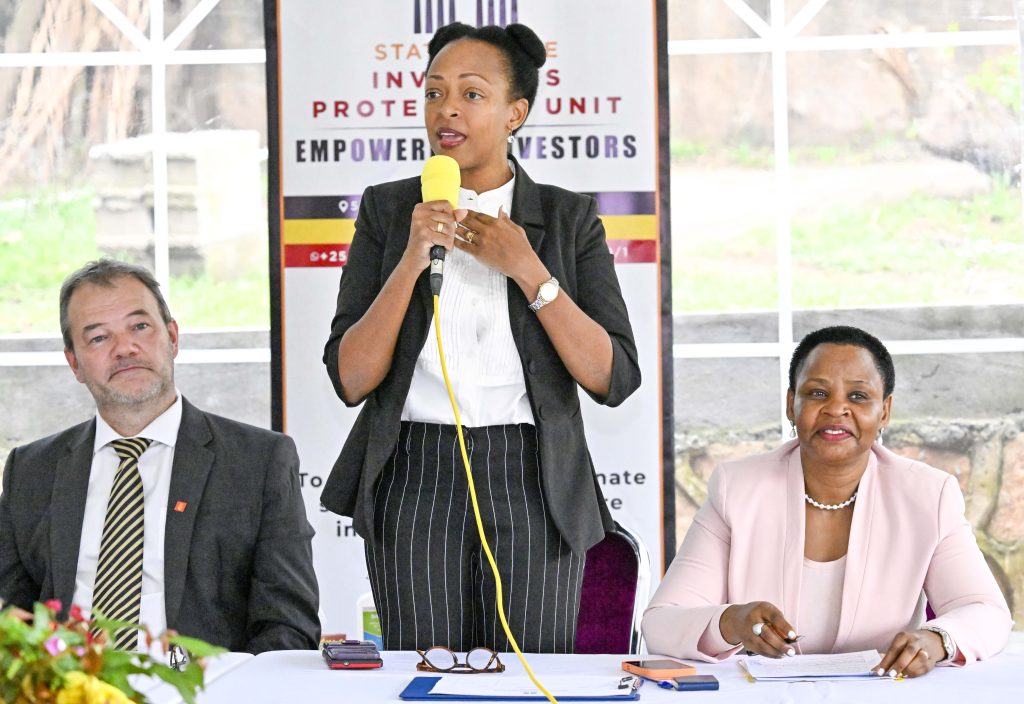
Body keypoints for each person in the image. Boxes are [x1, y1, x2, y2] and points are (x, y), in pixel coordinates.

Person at [321, 22, 640, 653]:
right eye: (434, 92)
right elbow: (349, 377)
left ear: (515, 112)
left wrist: (529, 269)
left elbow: (614, 377)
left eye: (471, 94)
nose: (446, 110)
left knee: (527, 675)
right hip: (413, 473)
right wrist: (411, 257)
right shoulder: (388, 211)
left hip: (532, 478)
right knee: (422, 674)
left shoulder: (567, 216)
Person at [643, 325, 1011, 678]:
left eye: (858, 396)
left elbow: (986, 612)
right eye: (818, 393)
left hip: (880, 693)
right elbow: (662, 622)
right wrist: (732, 622)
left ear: (884, 411)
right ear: (792, 404)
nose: (836, 409)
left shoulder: (929, 495)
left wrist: (936, 641)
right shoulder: (737, 488)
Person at [0, 259, 320, 654]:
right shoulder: (31, 471)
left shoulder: (258, 461)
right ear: (74, 363)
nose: (125, 348)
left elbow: (288, 626)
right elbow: (12, 622)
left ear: (172, 337)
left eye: (139, 327)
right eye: (99, 338)